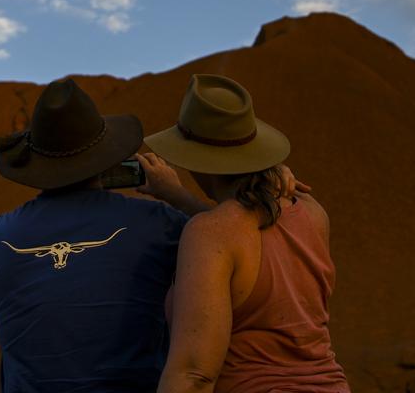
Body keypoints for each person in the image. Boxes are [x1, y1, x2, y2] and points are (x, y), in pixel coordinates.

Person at [0, 77, 208, 393]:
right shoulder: (158, 222)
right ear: (105, 156)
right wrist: (176, 194)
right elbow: (231, 240)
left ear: (38, 162)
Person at [142, 74, 350, 393]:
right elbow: (248, 236)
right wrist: (177, 195)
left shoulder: (210, 233)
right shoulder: (313, 213)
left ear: (197, 161)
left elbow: (194, 374)